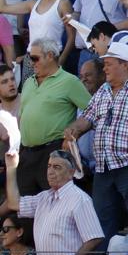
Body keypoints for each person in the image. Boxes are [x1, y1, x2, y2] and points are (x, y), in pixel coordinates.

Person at [65, 40, 128, 238]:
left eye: (109, 64)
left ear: (125, 65)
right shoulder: (103, 91)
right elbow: (87, 118)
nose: (105, 68)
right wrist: (73, 130)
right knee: (100, 224)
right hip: (103, 168)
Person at [1, 147, 102, 255]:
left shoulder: (79, 199)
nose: (50, 171)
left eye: (57, 167)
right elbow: (14, 203)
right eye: (49, 166)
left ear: (71, 172)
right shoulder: (44, 197)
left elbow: (94, 237)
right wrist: (12, 167)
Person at [15, 38, 89, 194]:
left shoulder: (70, 82)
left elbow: (93, 111)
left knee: (56, 203)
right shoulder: (29, 82)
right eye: (29, 57)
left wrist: (74, 132)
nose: (31, 62)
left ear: (50, 56)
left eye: (35, 58)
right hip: (26, 153)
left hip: (52, 153)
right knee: (27, 208)